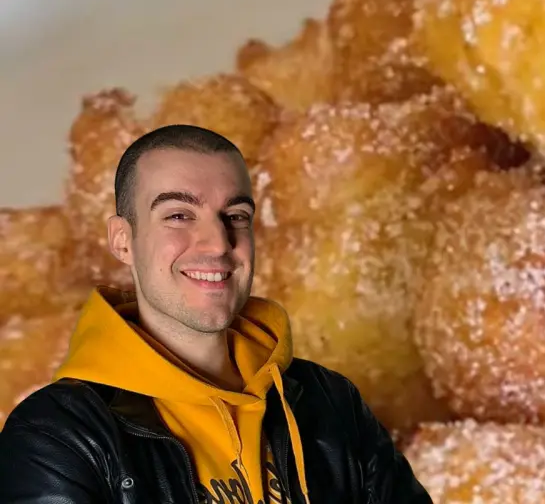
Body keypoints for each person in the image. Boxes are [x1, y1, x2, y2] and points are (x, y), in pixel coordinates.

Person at [0, 125, 433, 503]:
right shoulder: (57, 438)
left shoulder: (330, 403)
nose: (218, 242)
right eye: (178, 215)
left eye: (236, 216)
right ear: (123, 240)